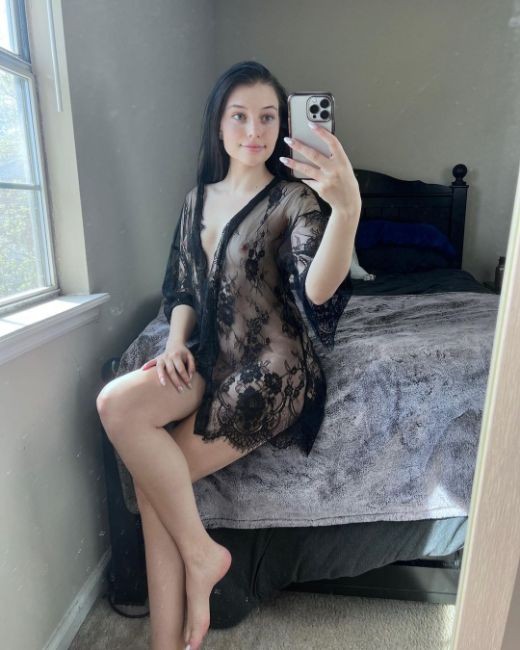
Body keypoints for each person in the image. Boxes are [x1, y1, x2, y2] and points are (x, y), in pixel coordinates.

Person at [96, 60, 361, 650]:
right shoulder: (198, 199)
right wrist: (173, 345)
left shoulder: (296, 197)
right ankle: (202, 555)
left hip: (273, 366)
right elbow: (182, 288)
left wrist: (347, 211)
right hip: (208, 354)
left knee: (154, 483)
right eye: (239, 116)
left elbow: (319, 290)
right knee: (116, 403)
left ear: (283, 125)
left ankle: (173, 631)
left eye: (268, 117)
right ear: (218, 125)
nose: (254, 130)